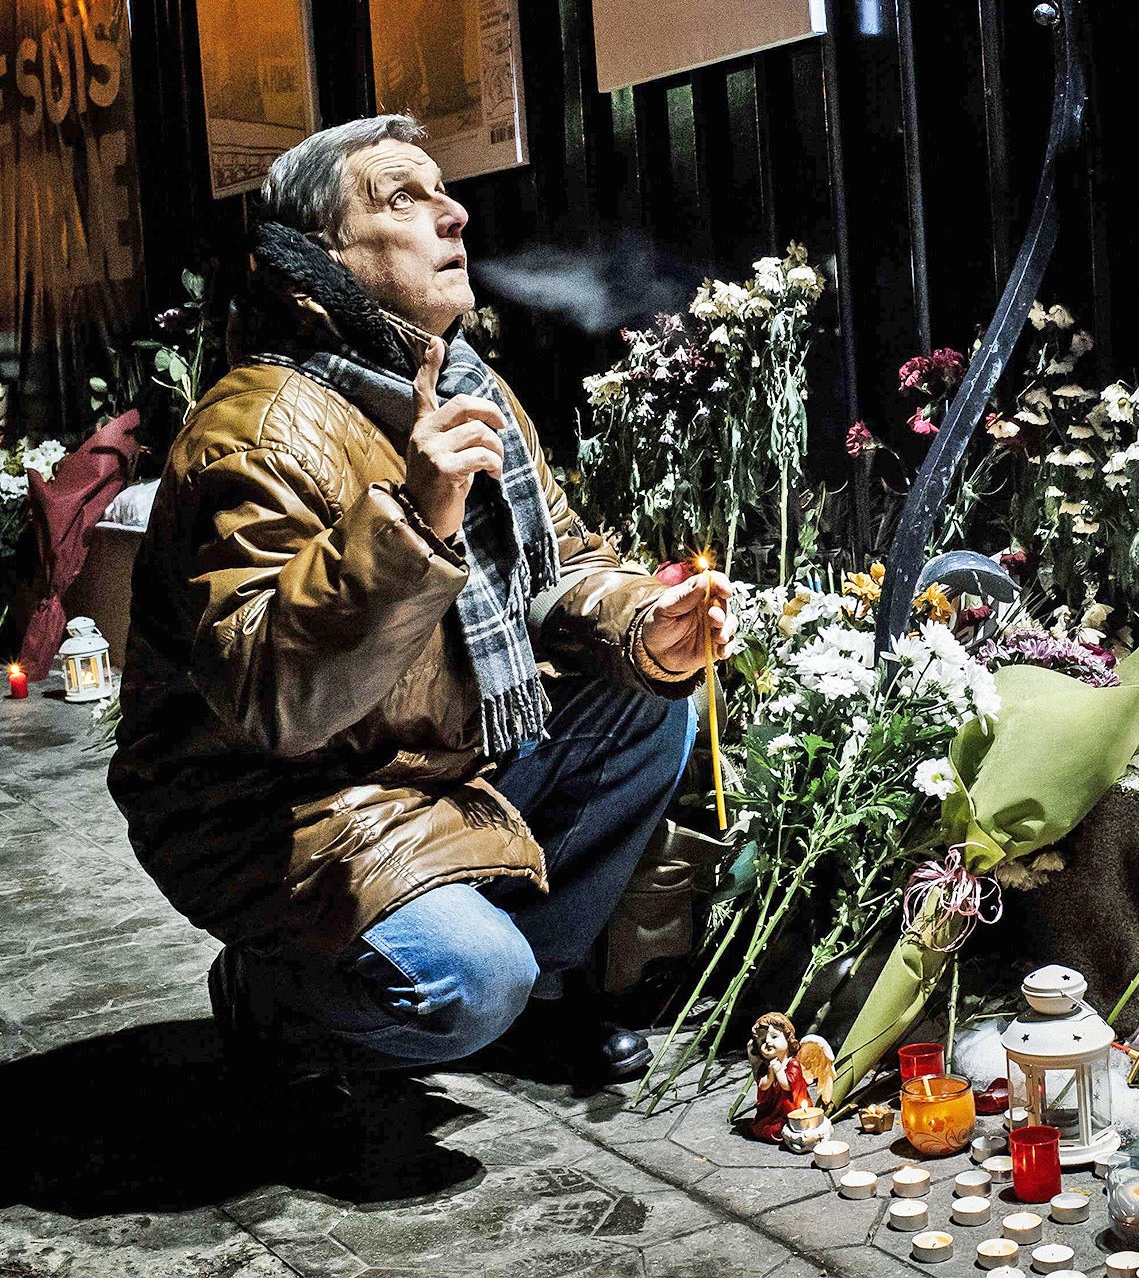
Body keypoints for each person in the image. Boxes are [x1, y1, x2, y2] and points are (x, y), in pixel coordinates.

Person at [110, 113, 732, 1084]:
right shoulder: (254, 431)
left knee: (648, 700)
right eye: (403, 196)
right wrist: (412, 518)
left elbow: (562, 563)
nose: (455, 214)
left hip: (419, 754)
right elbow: (278, 702)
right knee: (461, 989)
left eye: (444, 191)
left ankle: (538, 990)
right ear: (310, 260)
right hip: (276, 807)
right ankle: (276, 996)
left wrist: (644, 623)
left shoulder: (463, 383)